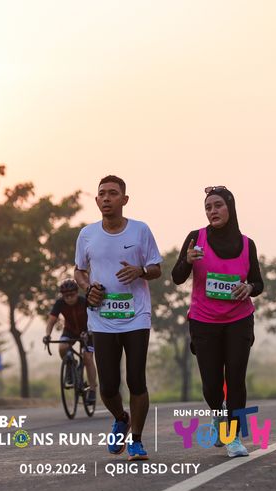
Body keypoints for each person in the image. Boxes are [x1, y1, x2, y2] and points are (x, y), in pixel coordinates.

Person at [74, 175, 163, 461]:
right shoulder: (87, 234)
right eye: (102, 194)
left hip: (136, 316)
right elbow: (79, 270)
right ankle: (121, 418)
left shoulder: (140, 230)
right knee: (109, 386)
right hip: (102, 319)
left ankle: (136, 440)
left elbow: (156, 268)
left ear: (124, 199)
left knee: (136, 380)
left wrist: (140, 271)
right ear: (96, 200)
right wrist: (88, 288)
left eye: (113, 193)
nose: (107, 198)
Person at [171, 186, 264, 458]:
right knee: (212, 385)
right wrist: (187, 261)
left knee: (235, 379)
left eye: (218, 205)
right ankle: (217, 412)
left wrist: (249, 287)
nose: (213, 211)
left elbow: (258, 282)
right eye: (208, 207)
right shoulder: (196, 238)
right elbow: (177, 277)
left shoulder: (247, 244)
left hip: (239, 320)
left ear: (230, 208)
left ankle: (232, 437)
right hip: (204, 321)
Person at [43, 279, 97, 404]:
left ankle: (92, 390)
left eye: (72, 295)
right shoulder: (60, 303)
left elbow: (94, 318)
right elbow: (51, 321)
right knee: (62, 347)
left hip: (88, 332)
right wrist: (47, 335)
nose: (69, 298)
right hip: (70, 331)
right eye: (66, 296)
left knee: (88, 357)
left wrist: (89, 331)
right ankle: (70, 365)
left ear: (77, 293)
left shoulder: (85, 301)